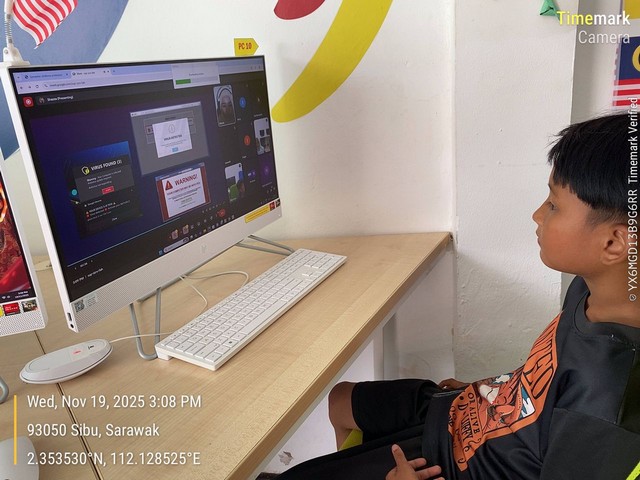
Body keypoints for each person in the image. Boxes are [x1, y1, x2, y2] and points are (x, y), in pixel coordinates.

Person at [277, 113, 640, 479]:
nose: (537, 214)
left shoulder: (607, 405)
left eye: (554, 205)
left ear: (614, 242)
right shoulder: (594, 289)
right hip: (473, 414)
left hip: (454, 465)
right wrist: (496, 391)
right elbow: (546, 380)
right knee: (343, 399)